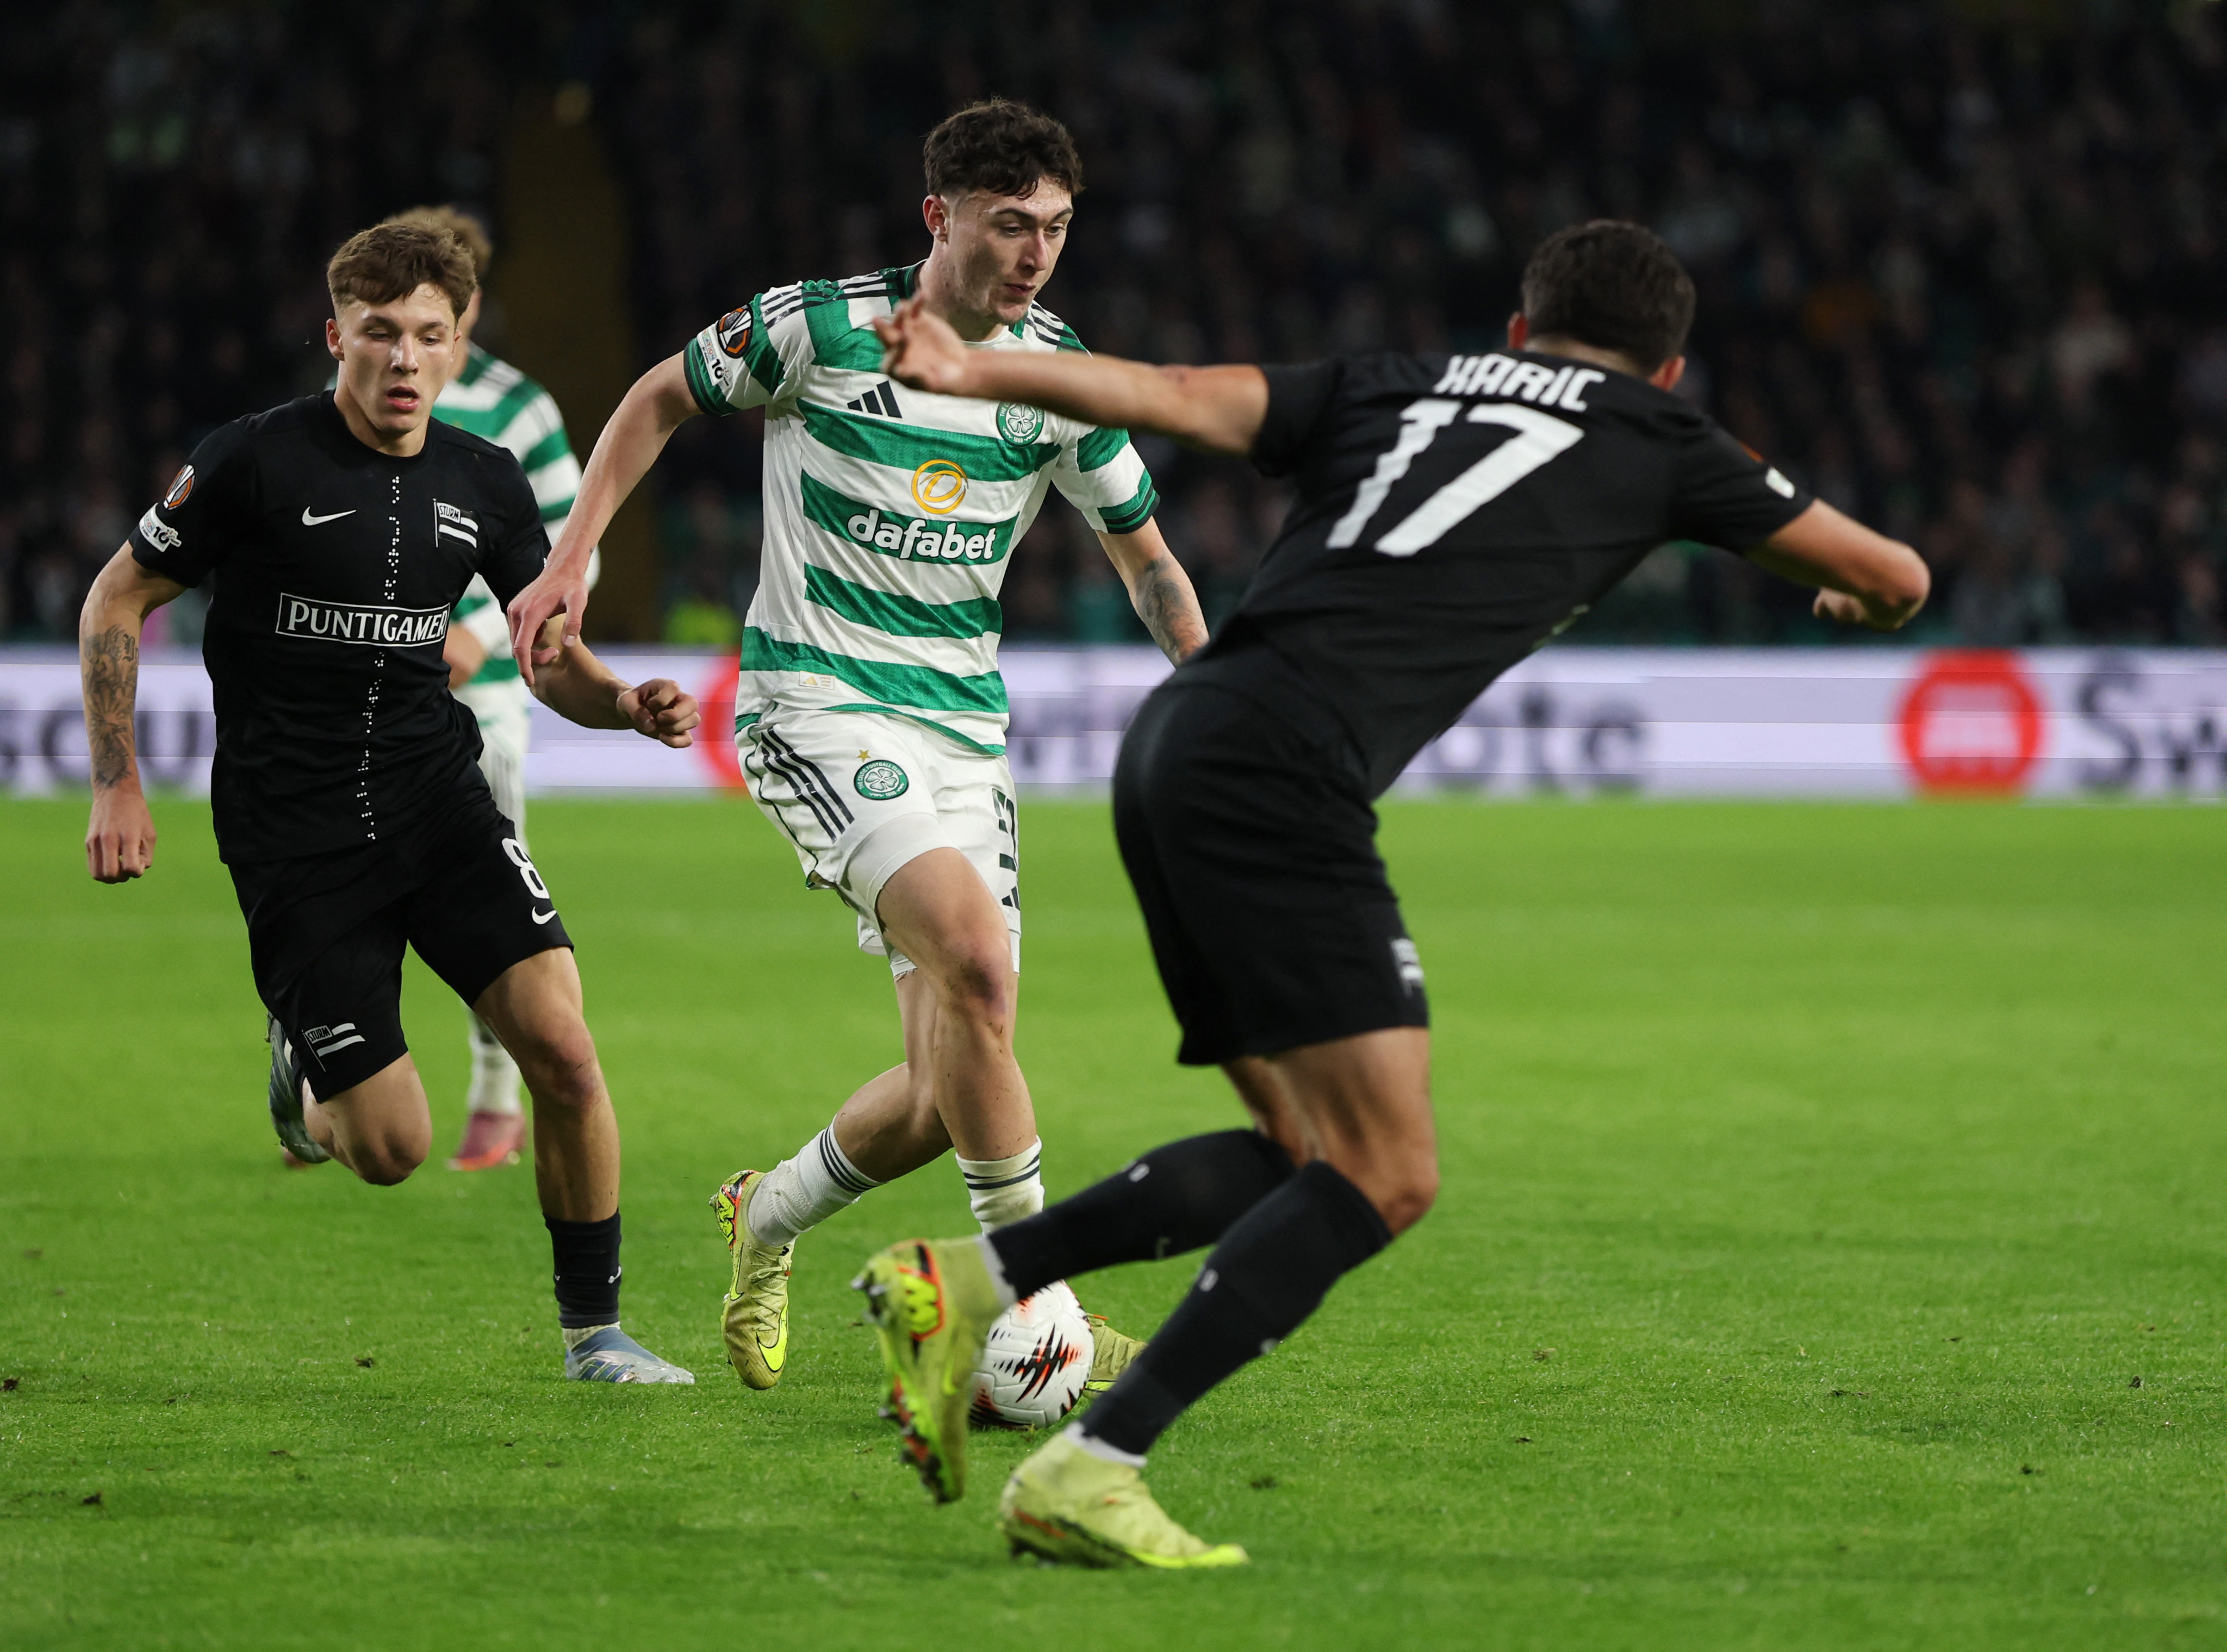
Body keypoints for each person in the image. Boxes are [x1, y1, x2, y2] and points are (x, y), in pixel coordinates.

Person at [852, 220, 1932, 1563]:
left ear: (1522, 334)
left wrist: (975, 369)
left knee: (1308, 1158)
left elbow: (1173, 395)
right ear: (1664, 371)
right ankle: (1089, 1463)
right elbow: (1895, 574)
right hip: (1284, 775)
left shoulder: (1398, 382)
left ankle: (961, 1285)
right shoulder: (1665, 440)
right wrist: (1853, 607)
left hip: (1178, 741)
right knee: (1391, 1172)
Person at [505, 100, 1208, 1393]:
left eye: (1056, 227)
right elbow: (660, 396)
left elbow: (1145, 559)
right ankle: (1037, 1306)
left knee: (948, 1090)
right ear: (937, 216)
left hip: (962, 733)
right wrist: (569, 561)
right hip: (813, 705)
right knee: (979, 969)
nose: (1038, 252)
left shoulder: (1056, 370)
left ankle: (763, 1213)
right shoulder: (818, 327)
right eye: (1011, 225)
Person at [80, 220, 704, 1384]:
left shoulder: (486, 479)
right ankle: (305, 1065)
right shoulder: (253, 461)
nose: (405, 359)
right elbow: (119, 597)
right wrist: (118, 780)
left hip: (439, 801)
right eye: (380, 334)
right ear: (337, 338)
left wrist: (624, 703)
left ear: (460, 347)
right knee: (388, 1149)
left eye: (430, 336)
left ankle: (596, 1335)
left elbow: (546, 653)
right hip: (296, 831)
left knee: (564, 1052)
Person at [308, 204, 599, 1174]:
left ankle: (495, 1086)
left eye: (439, 319)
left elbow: (567, 561)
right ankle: (330, 1043)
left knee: (496, 807)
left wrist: (479, 635)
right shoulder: (358, 389)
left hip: (483, 667)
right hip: (367, 676)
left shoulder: (522, 412)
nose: (410, 346)